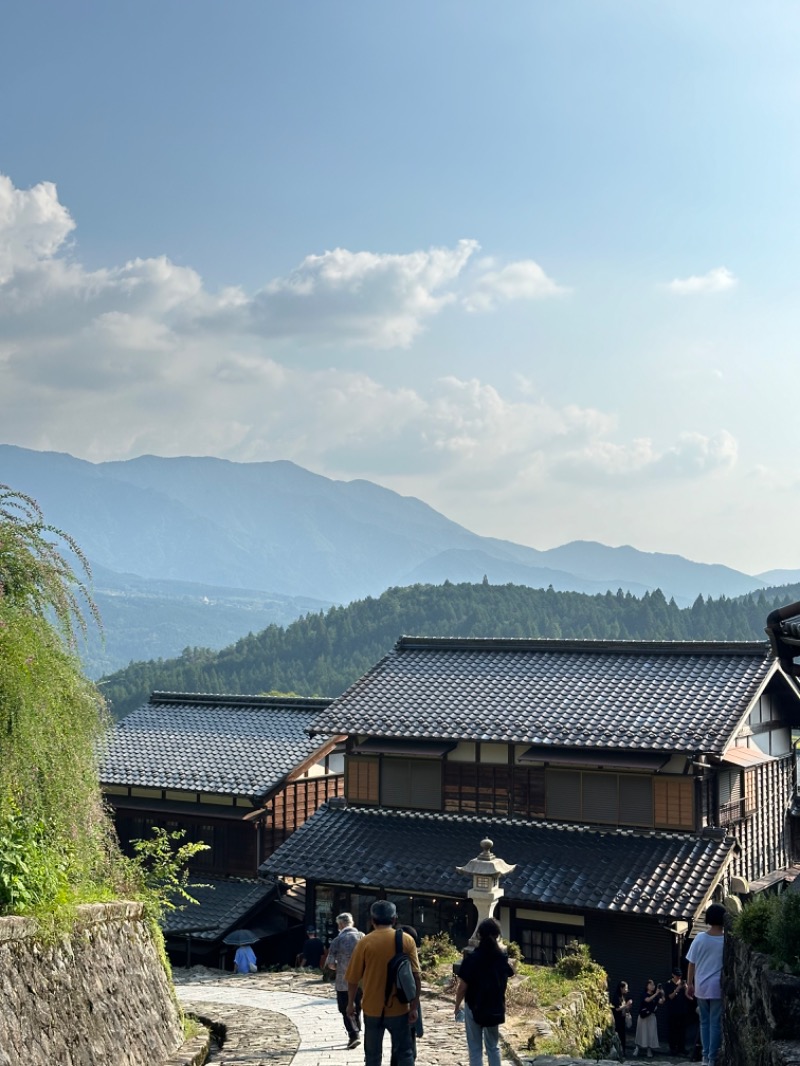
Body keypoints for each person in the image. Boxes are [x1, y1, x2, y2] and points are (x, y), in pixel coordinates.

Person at [345, 900, 421, 1066]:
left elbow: (352, 979)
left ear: (372, 920)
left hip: (372, 1008)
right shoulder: (406, 940)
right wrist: (414, 1006)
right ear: (394, 919)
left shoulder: (365, 942)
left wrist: (350, 1004)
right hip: (400, 1008)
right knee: (404, 1053)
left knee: (372, 1057)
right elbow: (416, 977)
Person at [454, 918, 515, 1066]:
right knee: (493, 1047)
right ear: (497, 936)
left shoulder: (473, 959)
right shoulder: (501, 958)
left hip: (474, 1006)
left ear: (479, 936)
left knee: (475, 1049)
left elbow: (462, 987)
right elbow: (509, 974)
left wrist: (457, 1006)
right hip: (494, 1007)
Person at [686, 903, 726, 1066]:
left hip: (701, 985)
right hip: (717, 986)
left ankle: (704, 1057)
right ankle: (712, 1058)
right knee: (715, 1022)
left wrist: (689, 983)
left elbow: (691, 963)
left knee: (704, 1022)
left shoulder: (700, 938)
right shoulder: (726, 941)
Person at [326, 913, 365, 1049]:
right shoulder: (362, 937)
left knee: (345, 1008)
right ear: (351, 922)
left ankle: (353, 1034)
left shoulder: (337, 940)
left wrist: (340, 965)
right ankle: (358, 1029)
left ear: (341, 924)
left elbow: (330, 963)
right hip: (360, 980)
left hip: (343, 981)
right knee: (358, 1006)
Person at [390, 925, 423, 1065]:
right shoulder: (407, 961)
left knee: (397, 1047)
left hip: (392, 1008)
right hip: (406, 1006)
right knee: (408, 1047)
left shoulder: (394, 958)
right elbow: (415, 983)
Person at [633, 978, 664, 1059]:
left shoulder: (656, 996)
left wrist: (662, 994)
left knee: (651, 1033)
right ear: (647, 986)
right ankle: (637, 1048)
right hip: (643, 1016)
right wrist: (656, 994)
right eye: (651, 985)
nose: (652, 986)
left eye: (653, 985)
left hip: (651, 1017)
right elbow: (647, 1000)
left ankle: (649, 1049)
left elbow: (661, 1001)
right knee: (641, 1032)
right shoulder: (643, 994)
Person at [663, 967, 690, 1056]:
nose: (679, 978)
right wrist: (677, 989)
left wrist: (686, 988)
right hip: (672, 1011)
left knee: (682, 1030)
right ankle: (673, 1048)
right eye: (677, 976)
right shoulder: (668, 984)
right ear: (673, 975)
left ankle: (681, 1047)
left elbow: (689, 996)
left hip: (682, 1010)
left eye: (680, 976)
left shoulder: (682, 983)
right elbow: (669, 997)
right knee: (672, 1030)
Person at [611, 979, 633, 1058]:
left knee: (623, 1036)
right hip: (617, 1020)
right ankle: (619, 1051)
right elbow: (616, 1009)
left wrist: (628, 1007)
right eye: (626, 988)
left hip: (622, 1019)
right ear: (621, 988)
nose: (627, 990)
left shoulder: (623, 996)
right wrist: (626, 1005)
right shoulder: (616, 997)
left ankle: (622, 1051)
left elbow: (624, 1008)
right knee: (619, 1036)